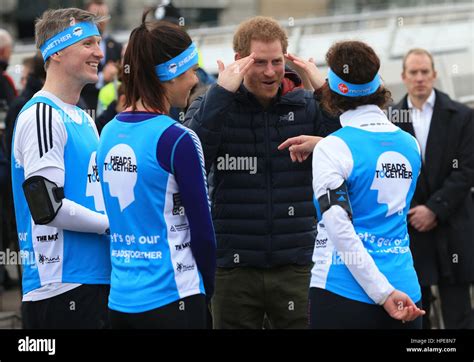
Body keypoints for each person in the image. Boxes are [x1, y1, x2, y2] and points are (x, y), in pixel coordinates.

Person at [184, 16, 339, 329]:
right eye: (260, 62)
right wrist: (220, 95)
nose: (270, 72)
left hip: (296, 264)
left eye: (277, 61)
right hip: (234, 267)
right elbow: (190, 155)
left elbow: (349, 151)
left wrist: (323, 90)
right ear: (239, 61)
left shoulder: (307, 105)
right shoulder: (212, 103)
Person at [293, 40, 426, 328]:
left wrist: (383, 294)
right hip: (406, 291)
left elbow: (339, 228)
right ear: (379, 86)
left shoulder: (333, 148)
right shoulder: (410, 144)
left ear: (331, 91)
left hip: (345, 293)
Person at [96, 12, 216, 329]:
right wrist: (207, 291)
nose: (195, 80)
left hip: (120, 302)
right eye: (191, 70)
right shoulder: (178, 138)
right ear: (170, 74)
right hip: (175, 298)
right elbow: (203, 232)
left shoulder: (106, 132)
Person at [11, 8, 111, 329]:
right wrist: (113, 225)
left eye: (98, 42)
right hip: (60, 286)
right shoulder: (42, 114)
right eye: (88, 43)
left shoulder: (83, 117)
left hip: (96, 278)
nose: (99, 51)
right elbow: (48, 208)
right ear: (56, 51)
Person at [394, 48, 474, 329]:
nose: (419, 78)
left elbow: (466, 171)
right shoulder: (390, 122)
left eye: (424, 72)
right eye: (413, 73)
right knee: (416, 314)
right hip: (410, 231)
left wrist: (434, 209)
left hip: (453, 226)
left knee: (459, 315)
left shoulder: (462, 116)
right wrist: (416, 211)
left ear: (434, 75)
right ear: (403, 77)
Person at [81, 0, 122, 112]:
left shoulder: (116, 46)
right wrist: (102, 77)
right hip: (87, 108)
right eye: (97, 16)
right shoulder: (78, 47)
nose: (101, 21)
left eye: (104, 16)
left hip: (112, 111)